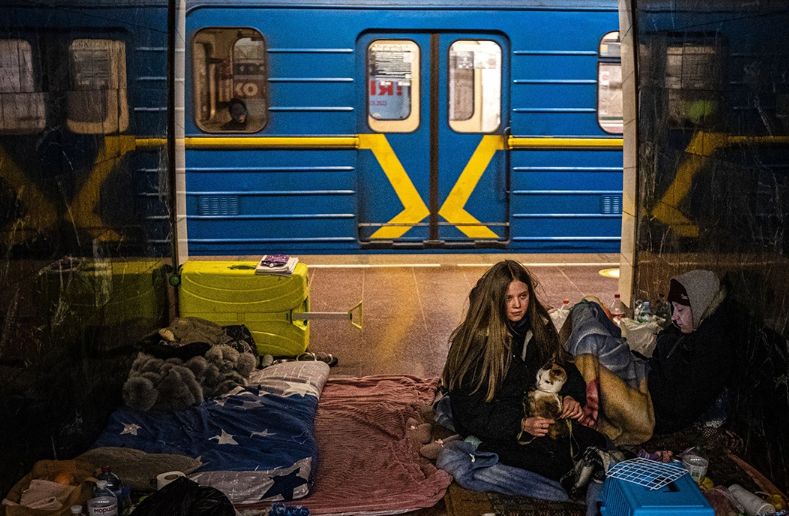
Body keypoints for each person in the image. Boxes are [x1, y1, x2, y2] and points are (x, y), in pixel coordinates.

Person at [441, 260, 608, 482]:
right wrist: (520, 424)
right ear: (494, 300)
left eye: (523, 296)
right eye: (508, 298)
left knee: (596, 442)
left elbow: (562, 366)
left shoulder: (539, 328)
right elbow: (468, 411)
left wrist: (571, 396)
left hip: (537, 414)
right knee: (553, 461)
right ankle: (477, 446)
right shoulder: (475, 343)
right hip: (497, 423)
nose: (517, 305)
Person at [647, 269, 738, 434]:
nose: (674, 317)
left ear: (699, 306)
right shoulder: (694, 326)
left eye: (680, 310)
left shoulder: (714, 347)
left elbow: (679, 405)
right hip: (658, 397)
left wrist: (646, 377)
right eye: (673, 309)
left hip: (664, 414)